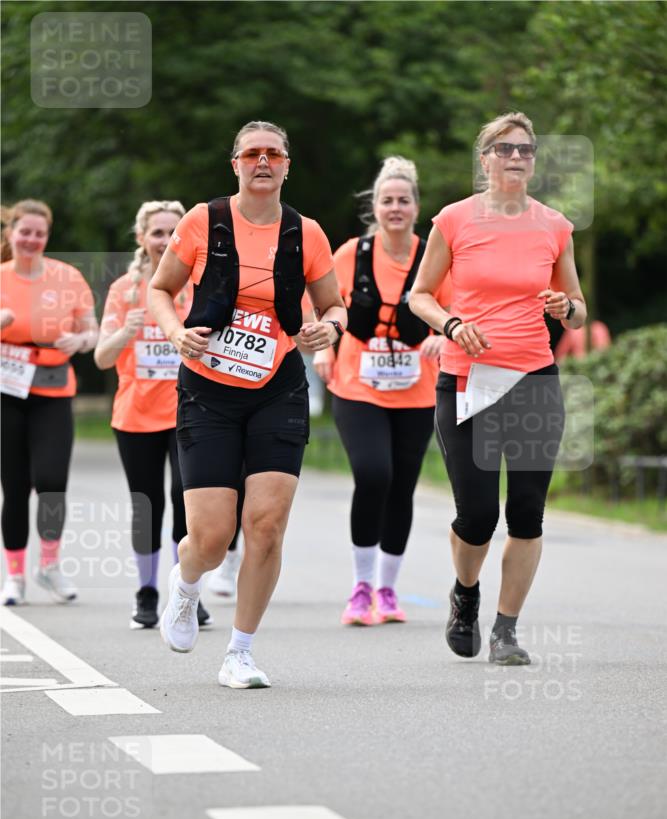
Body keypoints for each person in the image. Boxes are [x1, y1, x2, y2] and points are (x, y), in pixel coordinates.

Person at [149, 120, 346, 689]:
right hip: (207, 388)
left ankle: (240, 651)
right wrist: (174, 331)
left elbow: (334, 307)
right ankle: (185, 587)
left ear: (288, 165)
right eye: (252, 153)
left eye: (274, 154)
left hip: (278, 387)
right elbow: (161, 290)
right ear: (234, 163)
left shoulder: (306, 233)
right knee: (211, 536)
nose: (263, 161)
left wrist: (327, 330)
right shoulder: (202, 221)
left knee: (265, 525)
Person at [410, 112, 586, 665]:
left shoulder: (554, 225)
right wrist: (452, 325)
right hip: (467, 379)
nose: (516, 157)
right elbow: (420, 295)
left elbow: (578, 311)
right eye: (504, 148)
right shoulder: (455, 220)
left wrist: (567, 307)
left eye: (526, 150)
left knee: (528, 512)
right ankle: (466, 594)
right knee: (478, 514)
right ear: (484, 158)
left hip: (533, 378)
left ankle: (506, 631)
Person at [314, 157, 450, 626]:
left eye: (404, 200)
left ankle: (388, 591)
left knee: (402, 487)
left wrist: (443, 334)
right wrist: (323, 346)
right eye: (387, 200)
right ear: (374, 206)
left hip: (417, 389)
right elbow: (322, 305)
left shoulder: (434, 253)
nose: (396, 208)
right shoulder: (351, 254)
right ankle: (361, 587)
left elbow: (455, 307)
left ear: (416, 206)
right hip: (357, 386)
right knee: (374, 474)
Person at [95, 200, 211, 630]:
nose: (164, 240)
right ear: (142, 238)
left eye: (171, 232)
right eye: (156, 233)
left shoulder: (199, 284)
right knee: (146, 506)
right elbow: (102, 359)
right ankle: (146, 591)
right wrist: (127, 329)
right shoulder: (124, 289)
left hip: (191, 412)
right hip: (136, 416)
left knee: (190, 506)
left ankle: (188, 592)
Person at [0, 200, 98, 605]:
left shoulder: (68, 277)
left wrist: (80, 340)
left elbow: (91, 329)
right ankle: (16, 575)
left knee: (53, 482)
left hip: (54, 386)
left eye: (39, 233)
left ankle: (50, 565)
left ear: (47, 236)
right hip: (7, 388)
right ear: (10, 233)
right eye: (24, 231)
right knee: (16, 486)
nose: (31, 239)